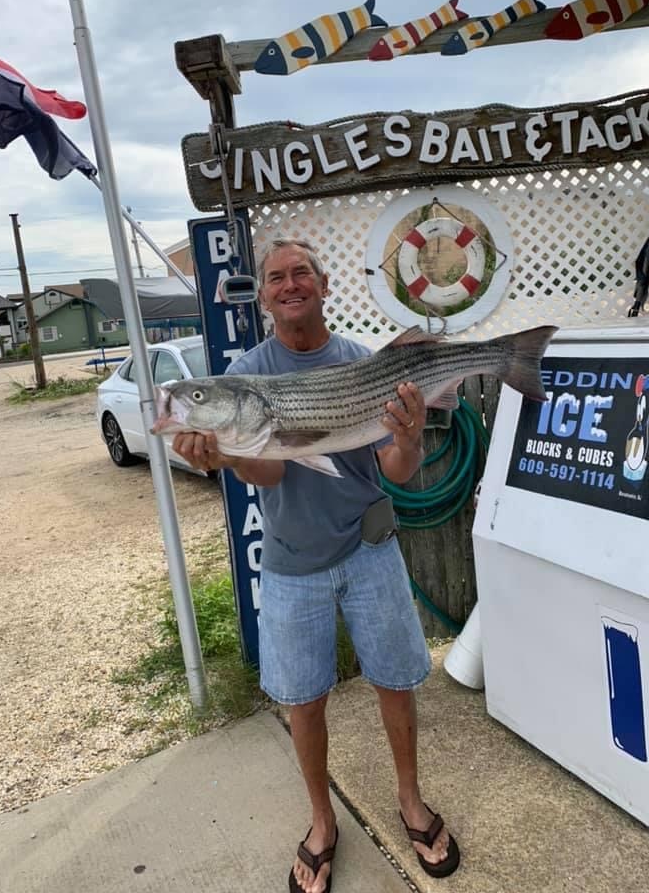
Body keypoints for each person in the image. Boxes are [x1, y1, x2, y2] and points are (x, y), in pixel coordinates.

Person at [172, 238, 460, 893]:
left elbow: (397, 471)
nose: (290, 284)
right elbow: (270, 475)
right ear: (264, 296)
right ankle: (323, 821)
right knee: (302, 700)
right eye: (276, 277)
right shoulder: (248, 375)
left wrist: (410, 436)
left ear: (325, 286)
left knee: (396, 681)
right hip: (291, 561)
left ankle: (410, 800)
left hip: (370, 549)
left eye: (301, 272)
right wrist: (227, 456)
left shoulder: (363, 361)